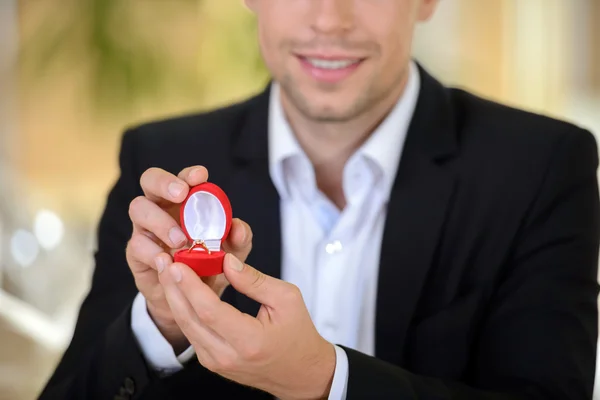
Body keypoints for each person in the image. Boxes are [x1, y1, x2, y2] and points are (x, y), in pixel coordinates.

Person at [39, 0, 599, 399]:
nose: (330, 19)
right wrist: (161, 326)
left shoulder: (544, 167)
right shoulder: (157, 161)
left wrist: (326, 381)